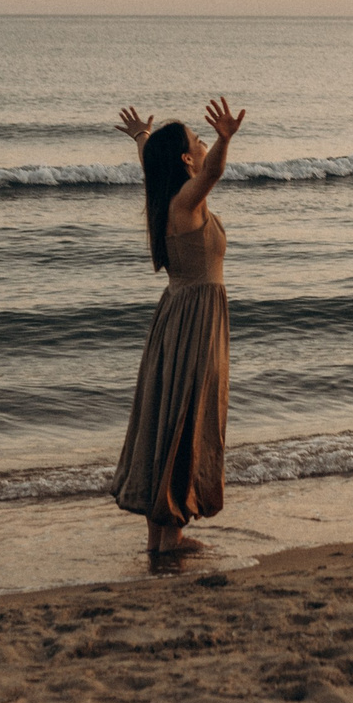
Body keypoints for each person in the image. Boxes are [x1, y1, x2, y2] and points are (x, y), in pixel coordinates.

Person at [110, 97, 243, 556]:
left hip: (178, 318)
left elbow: (157, 166)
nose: (203, 144)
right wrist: (225, 140)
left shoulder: (168, 195)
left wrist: (142, 138)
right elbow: (213, 174)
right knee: (187, 418)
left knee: (171, 417)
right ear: (187, 160)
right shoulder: (186, 201)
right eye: (198, 141)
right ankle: (170, 538)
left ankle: (162, 538)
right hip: (195, 323)